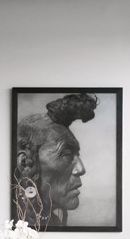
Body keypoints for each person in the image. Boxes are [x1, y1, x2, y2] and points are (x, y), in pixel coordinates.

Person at [14, 92, 96, 227]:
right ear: (24, 163)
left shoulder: (53, 223)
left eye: (77, 155)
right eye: (66, 154)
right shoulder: (11, 224)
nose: (81, 169)